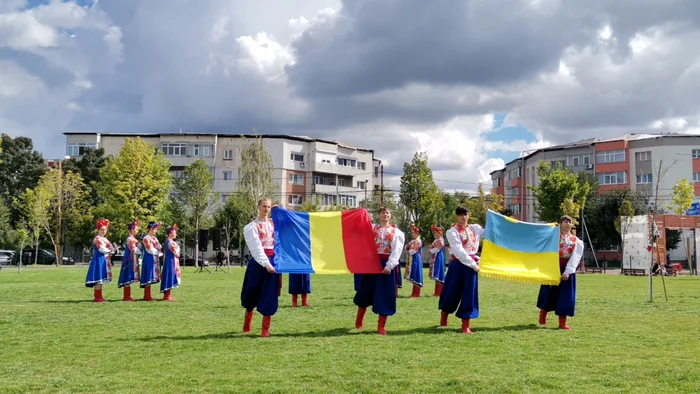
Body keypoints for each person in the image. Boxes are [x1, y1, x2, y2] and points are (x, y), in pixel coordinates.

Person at [353, 206, 405, 335]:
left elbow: (397, 250)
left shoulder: (397, 232)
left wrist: (389, 266)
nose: (385, 215)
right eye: (382, 213)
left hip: (386, 264)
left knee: (384, 294)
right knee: (365, 291)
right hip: (372, 263)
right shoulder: (372, 228)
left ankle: (381, 326)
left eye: (387, 212)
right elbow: (359, 230)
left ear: (390, 215)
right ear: (379, 215)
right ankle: (359, 321)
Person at [438, 206, 484, 334]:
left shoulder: (475, 228)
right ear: (456, 216)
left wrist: (500, 218)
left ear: (469, 215)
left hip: (471, 265)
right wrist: (473, 264)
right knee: (452, 292)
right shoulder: (452, 231)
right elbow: (458, 251)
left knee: (470, 294)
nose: (463, 217)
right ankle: (444, 315)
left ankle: (465, 324)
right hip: (459, 265)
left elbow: (490, 232)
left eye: (465, 214)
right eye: (460, 215)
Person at [240, 197, 280, 337]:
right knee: (252, 292)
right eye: (264, 206)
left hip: (273, 260)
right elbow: (256, 248)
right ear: (258, 207)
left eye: (269, 207)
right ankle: (247, 324)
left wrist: (280, 211)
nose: (266, 209)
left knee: (270, 294)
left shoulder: (274, 223)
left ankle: (265, 329)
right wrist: (266, 264)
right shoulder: (252, 226)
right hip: (259, 262)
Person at [537, 215, 583, 330]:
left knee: (565, 296)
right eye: (565, 221)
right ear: (560, 223)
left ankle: (562, 323)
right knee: (549, 292)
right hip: (553, 267)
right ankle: (543, 314)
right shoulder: (553, 237)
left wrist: (568, 271)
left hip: (567, 268)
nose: (568, 223)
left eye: (570, 222)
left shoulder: (576, 240)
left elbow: (576, 257)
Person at [85, 218, 116, 302]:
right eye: (102, 229)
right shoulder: (97, 238)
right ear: (98, 230)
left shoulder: (105, 239)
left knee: (101, 278)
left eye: (105, 229)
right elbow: (101, 248)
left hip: (105, 259)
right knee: (99, 278)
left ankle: (99, 296)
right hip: (99, 259)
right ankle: (97, 297)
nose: (103, 231)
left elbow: (111, 247)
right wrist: (110, 251)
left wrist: (112, 250)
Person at [118, 219, 141, 302]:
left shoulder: (132, 239)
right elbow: (134, 249)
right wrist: (139, 249)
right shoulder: (130, 239)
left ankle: (127, 295)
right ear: (132, 230)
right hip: (130, 259)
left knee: (129, 275)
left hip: (132, 258)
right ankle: (126, 296)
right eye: (136, 229)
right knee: (128, 275)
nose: (138, 230)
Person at [140, 222, 162, 302]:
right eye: (155, 229)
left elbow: (159, 246)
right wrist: (157, 252)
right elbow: (149, 248)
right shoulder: (146, 238)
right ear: (150, 229)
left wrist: (158, 249)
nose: (156, 231)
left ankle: (148, 294)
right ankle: (146, 295)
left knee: (152, 275)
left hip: (154, 258)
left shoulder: (154, 238)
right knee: (148, 275)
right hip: (149, 258)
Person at [160, 224, 182, 301]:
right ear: (170, 233)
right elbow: (176, 251)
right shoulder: (170, 242)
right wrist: (178, 249)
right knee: (169, 276)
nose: (176, 234)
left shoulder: (168, 242)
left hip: (171, 260)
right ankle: (167, 295)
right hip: (171, 261)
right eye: (175, 232)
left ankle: (167, 294)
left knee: (169, 276)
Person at [404, 223, 424, 298]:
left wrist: (408, 249)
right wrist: (408, 248)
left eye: (413, 232)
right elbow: (406, 247)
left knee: (416, 274)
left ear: (417, 233)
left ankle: (416, 293)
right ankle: (414, 293)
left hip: (416, 259)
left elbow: (413, 251)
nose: (411, 234)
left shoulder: (418, 241)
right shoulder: (413, 241)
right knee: (413, 274)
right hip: (412, 259)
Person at [428, 225, 446, 297]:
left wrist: (430, 250)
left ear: (440, 232)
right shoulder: (436, 240)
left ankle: (439, 292)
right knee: (436, 273)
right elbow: (432, 246)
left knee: (438, 272)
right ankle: (437, 291)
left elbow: (437, 249)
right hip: (435, 257)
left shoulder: (441, 240)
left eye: (436, 232)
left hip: (438, 257)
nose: (435, 233)